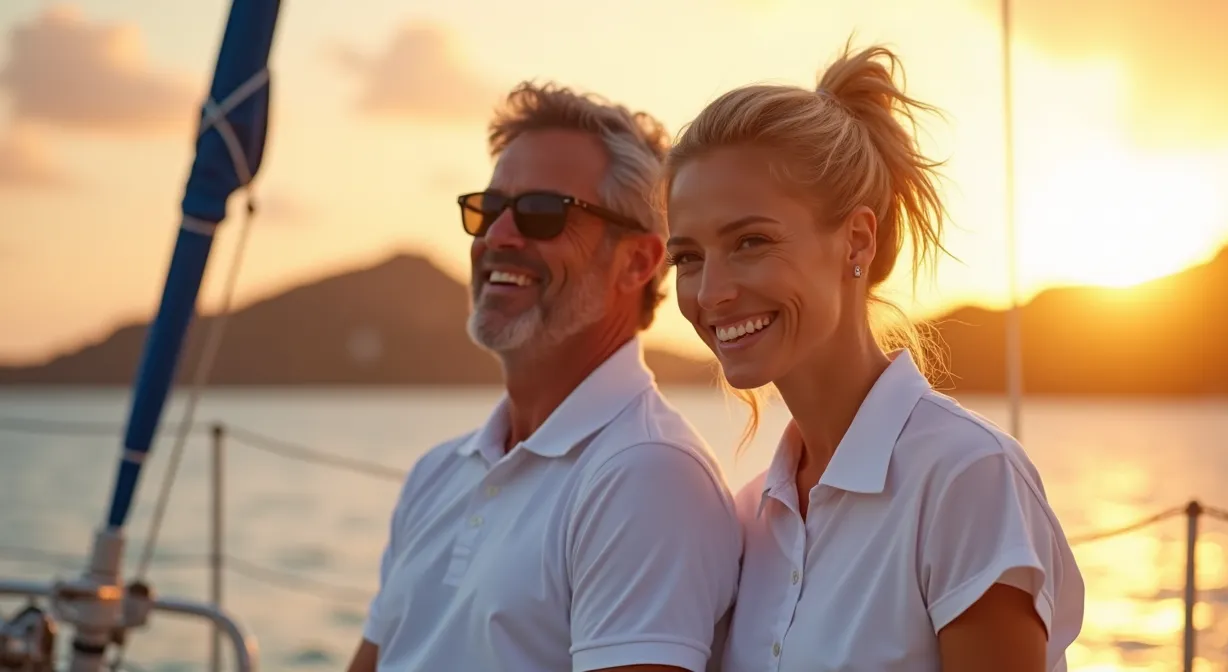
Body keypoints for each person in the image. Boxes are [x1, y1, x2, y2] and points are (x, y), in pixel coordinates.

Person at [662, 42, 1085, 671]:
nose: (710, 291)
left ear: (856, 239)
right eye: (688, 257)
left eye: (751, 241)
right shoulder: (751, 514)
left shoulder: (966, 476)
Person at [346, 81, 742, 672]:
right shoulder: (437, 473)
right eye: (489, 209)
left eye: (540, 213)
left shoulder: (647, 474)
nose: (497, 238)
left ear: (638, 260)